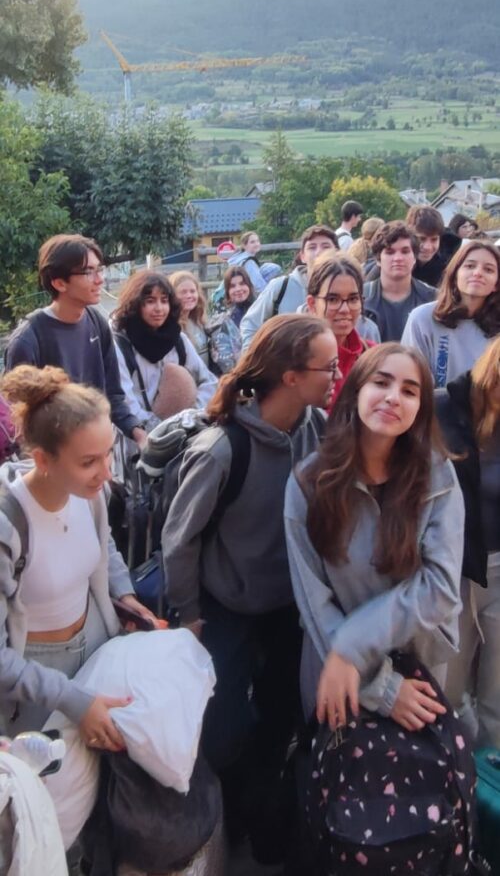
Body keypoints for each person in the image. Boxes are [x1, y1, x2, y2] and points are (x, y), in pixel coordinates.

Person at [161, 314, 340, 862]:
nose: (337, 375)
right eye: (328, 366)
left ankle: (262, 819)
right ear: (290, 375)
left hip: (290, 607)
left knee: (282, 718)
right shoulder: (222, 449)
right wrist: (189, 614)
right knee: (223, 731)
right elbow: (179, 540)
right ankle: (228, 811)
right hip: (225, 609)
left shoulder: (317, 428)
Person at [284, 342, 464, 735]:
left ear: (421, 408)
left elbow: (441, 588)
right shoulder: (309, 483)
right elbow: (314, 603)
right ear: (356, 390)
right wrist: (381, 688)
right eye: (381, 382)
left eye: (409, 391)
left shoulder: (438, 476)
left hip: (419, 668)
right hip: (339, 675)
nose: (393, 397)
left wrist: (355, 643)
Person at [0, 364, 158, 743]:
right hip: (36, 681)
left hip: (98, 642)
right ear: (43, 460)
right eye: (88, 462)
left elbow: (104, 545)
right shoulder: (9, 525)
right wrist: (74, 701)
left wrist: (125, 596)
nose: (106, 473)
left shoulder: (90, 495)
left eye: (108, 455)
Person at [5, 234, 147, 449]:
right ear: (59, 283)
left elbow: (113, 396)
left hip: (98, 447)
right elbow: (17, 422)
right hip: (53, 457)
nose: (100, 279)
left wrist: (139, 433)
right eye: (89, 272)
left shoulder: (96, 322)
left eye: (99, 269)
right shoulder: (27, 340)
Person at [435, 338, 500, 746]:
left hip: (499, 565)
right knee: (450, 690)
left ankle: (490, 774)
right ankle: (457, 770)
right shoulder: (443, 408)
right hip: (453, 569)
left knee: (497, 697)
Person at [111, 271, 218, 431]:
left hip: (182, 433)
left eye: (164, 300)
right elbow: (124, 403)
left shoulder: (177, 339)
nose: (159, 308)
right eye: (150, 301)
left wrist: (189, 416)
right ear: (135, 304)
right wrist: (159, 429)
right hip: (136, 437)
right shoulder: (120, 344)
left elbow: (209, 382)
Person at [402, 240, 500, 386]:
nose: (478, 273)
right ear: (455, 275)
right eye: (470, 266)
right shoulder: (422, 318)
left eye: (488, 270)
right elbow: (411, 378)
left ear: (496, 284)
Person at [240, 224, 339, 349]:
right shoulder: (280, 287)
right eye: (312, 247)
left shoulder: (349, 291)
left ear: (337, 252)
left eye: (326, 246)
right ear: (302, 256)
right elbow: (250, 325)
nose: (319, 252)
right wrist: (252, 357)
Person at [306, 252, 377, 408]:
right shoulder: (297, 359)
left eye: (353, 299)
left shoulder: (373, 357)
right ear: (312, 304)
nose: (345, 309)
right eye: (332, 299)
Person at [363, 221, 436, 342]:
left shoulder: (433, 299)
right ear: (378, 259)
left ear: (414, 257)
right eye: (390, 252)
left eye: (405, 251)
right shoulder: (360, 298)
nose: (398, 258)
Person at [206, 267, 254, 375]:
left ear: (249, 286)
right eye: (232, 286)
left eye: (242, 283)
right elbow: (224, 363)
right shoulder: (222, 324)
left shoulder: (261, 313)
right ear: (227, 291)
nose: (238, 289)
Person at [170, 271, 210, 366]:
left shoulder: (199, 321)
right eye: (183, 292)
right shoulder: (172, 327)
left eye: (192, 291)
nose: (189, 296)